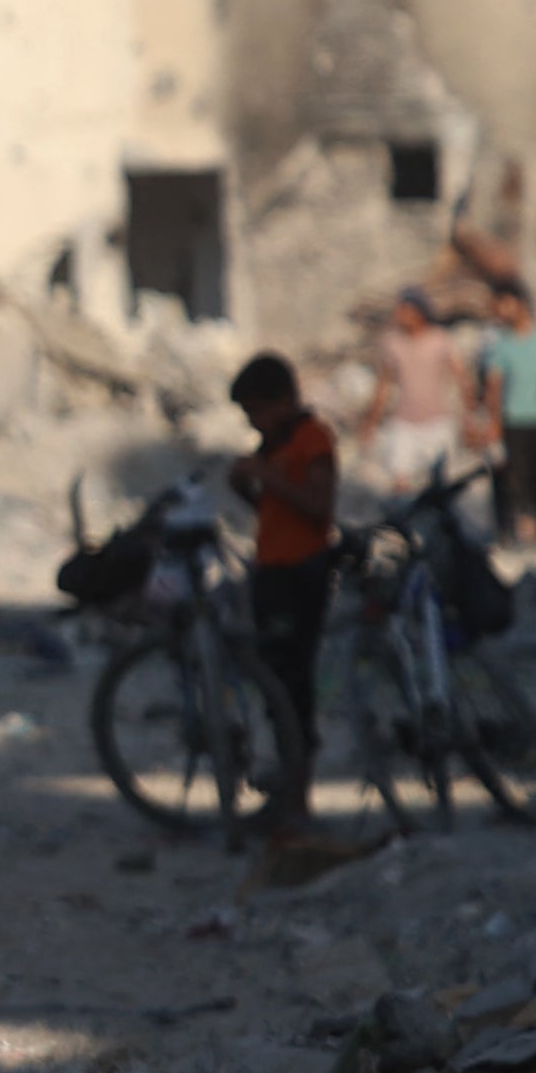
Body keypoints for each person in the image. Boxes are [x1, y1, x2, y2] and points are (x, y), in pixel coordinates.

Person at [226, 351, 344, 826]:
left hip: (303, 573)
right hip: (272, 570)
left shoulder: (312, 439)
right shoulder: (275, 443)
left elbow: (319, 506)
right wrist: (246, 482)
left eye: (256, 410)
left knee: (294, 688)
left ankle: (298, 799)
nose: (253, 422)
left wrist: (267, 475)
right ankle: (284, 795)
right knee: (276, 686)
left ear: (281, 401)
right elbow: (269, 508)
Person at [478, 280, 536, 545]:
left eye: (503, 304)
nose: (499, 311)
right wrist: (494, 423)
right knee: (515, 479)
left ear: (519, 304)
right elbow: (494, 386)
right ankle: (513, 532)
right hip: (515, 420)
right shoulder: (502, 344)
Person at [364, 289, 466, 497]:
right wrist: (371, 423)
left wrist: (469, 417)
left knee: (439, 483)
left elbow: (461, 379)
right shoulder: (392, 343)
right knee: (399, 480)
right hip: (405, 422)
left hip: (438, 420)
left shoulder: (440, 340)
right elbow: (384, 386)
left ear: (420, 312)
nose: (400, 316)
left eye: (405, 310)